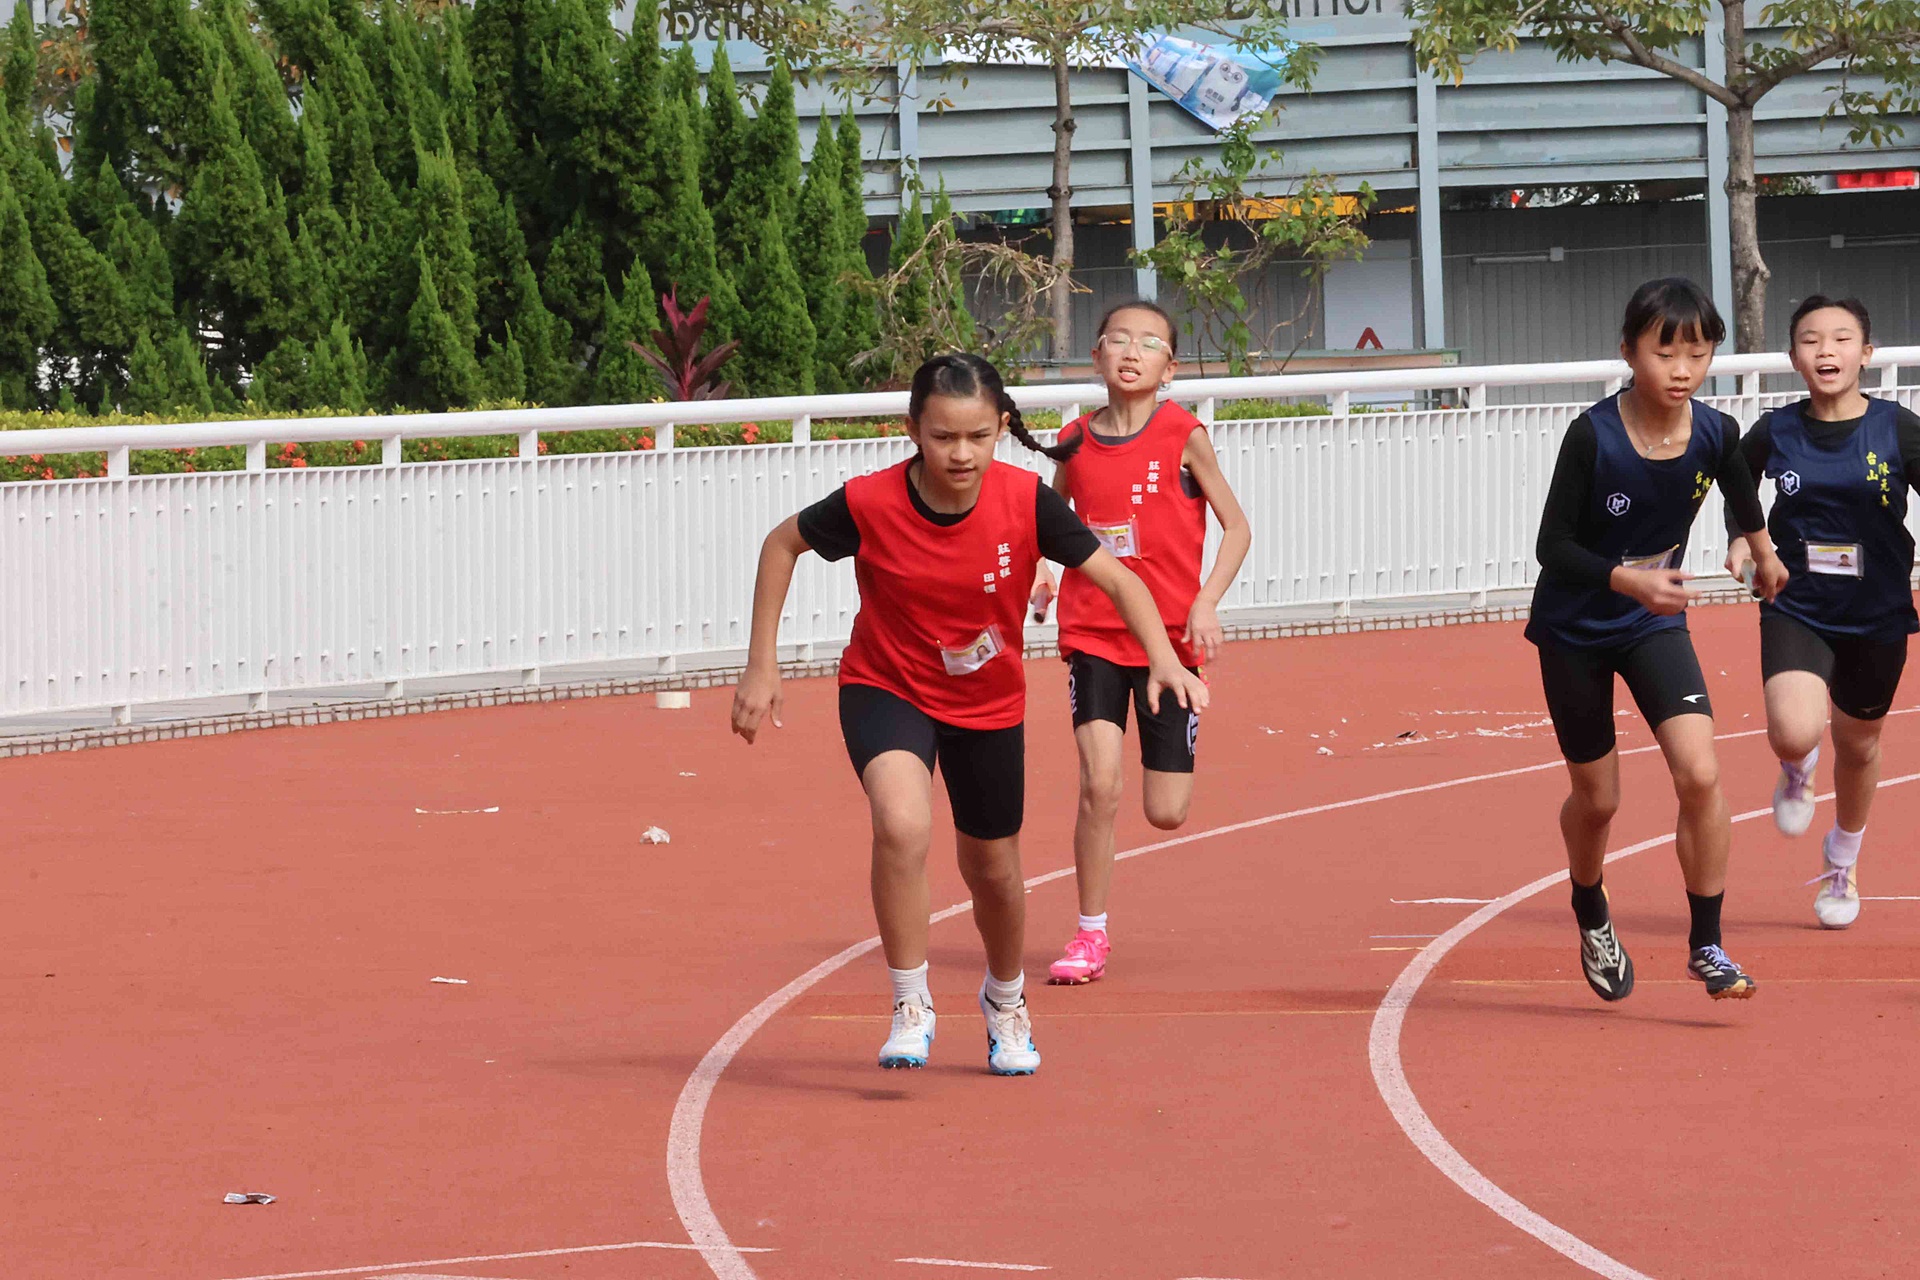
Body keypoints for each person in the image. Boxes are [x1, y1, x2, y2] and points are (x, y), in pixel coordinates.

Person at [730, 353, 1211, 1075]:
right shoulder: (869, 501)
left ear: (1002, 429)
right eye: (944, 437)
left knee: (993, 870)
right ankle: (910, 1002)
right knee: (902, 824)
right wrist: (761, 665)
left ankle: (1005, 999)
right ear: (913, 431)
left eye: (979, 437)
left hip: (986, 702)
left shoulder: (1026, 501)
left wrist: (1164, 659)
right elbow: (781, 544)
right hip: (887, 684)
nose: (961, 454)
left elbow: (1118, 579)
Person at [1526, 277, 1787, 1003]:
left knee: (1700, 774)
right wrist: (1627, 580)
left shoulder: (1716, 433)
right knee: (1599, 800)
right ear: (1628, 352)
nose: (1681, 370)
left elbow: (1744, 501)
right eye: (1664, 353)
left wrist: (1761, 554)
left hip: (1654, 622)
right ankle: (1590, 905)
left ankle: (1707, 944)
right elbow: (1552, 547)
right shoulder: (1593, 435)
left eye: (1697, 355)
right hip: (1575, 627)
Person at [1029, 300, 1252, 985]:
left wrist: (1205, 601)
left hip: (1170, 649)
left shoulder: (1185, 435)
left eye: (1149, 343)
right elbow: (1047, 520)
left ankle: (1182, 718)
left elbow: (1238, 527)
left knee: (1165, 813)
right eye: (1118, 339)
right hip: (1093, 633)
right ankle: (1089, 934)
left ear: (1170, 368)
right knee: (1099, 784)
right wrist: (1041, 573)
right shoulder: (1073, 440)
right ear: (1096, 356)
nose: (1131, 351)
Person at [1725, 295, 1920, 929]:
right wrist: (1743, 539)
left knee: (1858, 747)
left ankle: (1842, 859)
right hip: (1797, 602)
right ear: (1794, 357)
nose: (1826, 350)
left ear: (1866, 354)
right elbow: (1736, 482)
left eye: (1841, 339)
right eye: (1811, 340)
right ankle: (1797, 768)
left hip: (1877, 611)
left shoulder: (1897, 428)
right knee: (1794, 729)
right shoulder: (1776, 430)